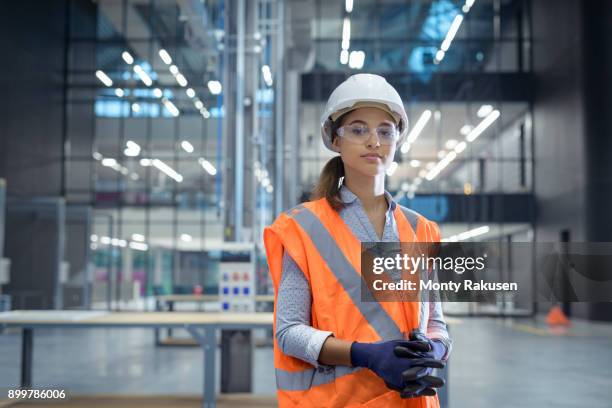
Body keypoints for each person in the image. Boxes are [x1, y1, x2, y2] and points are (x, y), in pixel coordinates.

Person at [263, 73, 452, 407]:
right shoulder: (304, 227)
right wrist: (365, 354)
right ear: (336, 140)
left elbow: (435, 322)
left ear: (397, 140)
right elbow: (289, 332)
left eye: (385, 130)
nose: (374, 141)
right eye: (358, 129)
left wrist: (433, 349)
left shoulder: (421, 229)